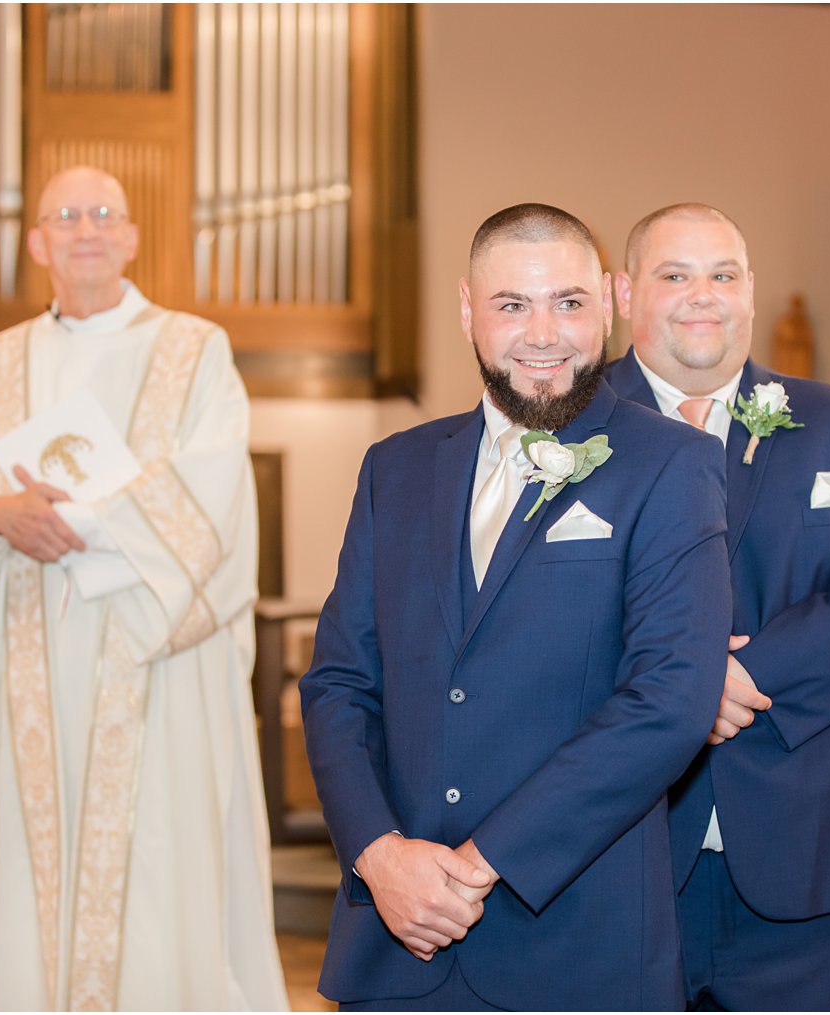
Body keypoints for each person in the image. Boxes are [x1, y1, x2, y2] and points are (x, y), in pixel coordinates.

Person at [300, 203, 732, 1011]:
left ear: (606, 301)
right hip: (398, 941)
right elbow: (339, 684)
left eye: (568, 302)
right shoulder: (394, 469)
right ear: (469, 309)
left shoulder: (672, 465)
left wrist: (480, 861)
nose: (545, 333)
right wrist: (379, 853)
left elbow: (669, 699)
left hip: (577, 943)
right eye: (512, 305)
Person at [0, 166, 288, 1011]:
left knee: (157, 869)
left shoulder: (194, 348)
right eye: (66, 215)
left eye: (105, 213)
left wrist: (87, 524)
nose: (87, 228)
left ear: (133, 236)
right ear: (36, 241)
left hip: (153, 662)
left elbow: (215, 491)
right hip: (30, 657)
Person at [605, 203, 830, 1010]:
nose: (702, 295)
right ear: (623, 292)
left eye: (722, 274)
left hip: (812, 849)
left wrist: (744, 673)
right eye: (674, 275)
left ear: (751, 289)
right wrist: (683, 686)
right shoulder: (567, 430)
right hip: (619, 854)